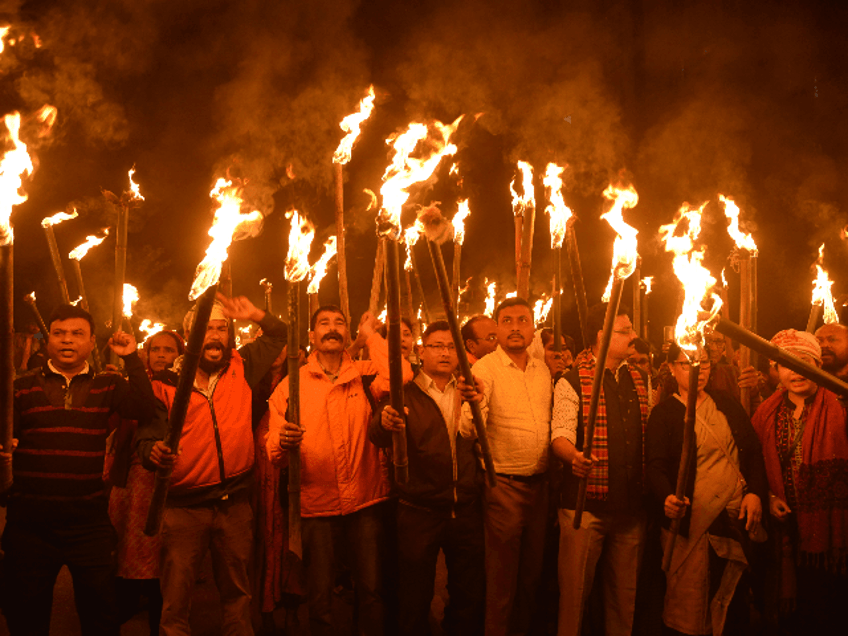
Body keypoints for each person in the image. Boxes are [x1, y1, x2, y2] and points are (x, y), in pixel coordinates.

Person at [1, 304, 156, 636]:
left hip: (88, 523)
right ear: (47, 342)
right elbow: (5, 438)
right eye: (58, 333)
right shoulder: (20, 389)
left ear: (91, 342)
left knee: (101, 616)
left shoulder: (108, 386)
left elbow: (145, 408)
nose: (66, 340)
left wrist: (131, 358)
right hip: (30, 524)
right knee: (24, 615)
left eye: (76, 334)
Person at [136, 294, 286, 636]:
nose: (215, 335)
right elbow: (145, 440)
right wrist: (153, 452)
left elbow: (280, 335)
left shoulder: (242, 364)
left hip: (234, 506)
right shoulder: (165, 383)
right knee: (176, 600)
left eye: (222, 328)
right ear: (189, 337)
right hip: (183, 509)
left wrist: (257, 314)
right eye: (206, 328)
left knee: (237, 595)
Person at [267, 306, 411, 636]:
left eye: (339, 323)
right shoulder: (294, 383)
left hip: (366, 500)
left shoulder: (365, 374)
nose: (332, 329)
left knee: (371, 590)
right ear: (312, 336)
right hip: (316, 505)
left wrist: (371, 335)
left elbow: (401, 375)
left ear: (347, 334)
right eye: (324, 324)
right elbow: (273, 445)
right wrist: (281, 440)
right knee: (320, 596)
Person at [370, 320, 485, 636]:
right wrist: (385, 421)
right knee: (414, 595)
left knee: (468, 594)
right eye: (437, 346)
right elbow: (376, 432)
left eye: (451, 347)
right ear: (421, 352)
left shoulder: (469, 390)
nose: (445, 353)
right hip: (419, 509)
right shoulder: (403, 393)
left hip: (465, 508)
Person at [646, 343, 767, 636]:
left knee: (733, 600)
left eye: (703, 362)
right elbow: (655, 466)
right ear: (673, 369)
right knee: (690, 607)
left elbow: (751, 452)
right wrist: (667, 498)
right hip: (691, 520)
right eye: (687, 363)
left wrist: (754, 493)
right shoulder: (664, 413)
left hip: (731, 516)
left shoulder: (726, 402)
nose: (697, 369)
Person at [551, 302, 649, 636]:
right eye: (625, 331)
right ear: (601, 336)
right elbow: (560, 435)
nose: (633, 337)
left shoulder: (639, 379)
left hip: (630, 508)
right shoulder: (572, 381)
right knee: (576, 596)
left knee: (624, 599)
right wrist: (574, 456)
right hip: (584, 508)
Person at [457, 297, 552, 636]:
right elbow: (467, 428)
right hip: (503, 487)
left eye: (523, 320)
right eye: (508, 320)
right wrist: (474, 402)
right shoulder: (484, 369)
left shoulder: (543, 369)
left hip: (540, 486)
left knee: (531, 576)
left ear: (532, 327)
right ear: (496, 329)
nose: (515, 327)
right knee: (501, 578)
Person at [750, 329, 848, 634]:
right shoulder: (765, 413)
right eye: (787, 364)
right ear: (776, 371)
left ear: (817, 365)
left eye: (804, 362)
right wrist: (766, 495)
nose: (796, 372)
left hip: (831, 531)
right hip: (784, 528)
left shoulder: (840, 405)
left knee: (830, 607)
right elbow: (751, 466)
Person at [108, 329, 185, 633]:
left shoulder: (184, 388)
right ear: (147, 354)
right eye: (156, 349)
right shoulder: (137, 385)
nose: (162, 355)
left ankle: (158, 614)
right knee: (125, 547)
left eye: (169, 350)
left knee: (158, 554)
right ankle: (124, 603)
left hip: (163, 476)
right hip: (131, 477)